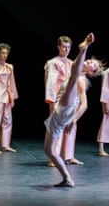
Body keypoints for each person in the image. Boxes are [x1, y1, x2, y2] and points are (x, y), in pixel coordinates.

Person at [44, 32, 102, 187]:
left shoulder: (81, 80)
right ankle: (67, 178)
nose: (90, 62)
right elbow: (76, 65)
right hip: (61, 108)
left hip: (66, 107)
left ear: (91, 72)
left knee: (74, 77)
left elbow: (85, 104)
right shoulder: (74, 69)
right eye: (89, 60)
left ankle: (84, 48)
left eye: (92, 65)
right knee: (49, 150)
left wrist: (85, 47)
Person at [44, 35, 73, 167]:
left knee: (71, 125)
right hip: (58, 98)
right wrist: (51, 101)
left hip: (70, 99)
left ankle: (68, 156)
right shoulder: (53, 62)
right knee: (56, 127)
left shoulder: (71, 63)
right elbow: (50, 83)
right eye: (64, 47)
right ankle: (52, 157)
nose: (66, 50)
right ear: (58, 47)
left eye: (68, 47)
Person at [0, 43, 19, 154]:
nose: (4, 55)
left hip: (6, 97)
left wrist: (13, 98)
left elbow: (12, 83)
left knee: (7, 121)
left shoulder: (9, 67)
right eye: (2, 53)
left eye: (6, 53)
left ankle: (5, 145)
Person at [97, 69, 109, 156]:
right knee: (106, 122)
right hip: (108, 100)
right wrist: (105, 103)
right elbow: (104, 88)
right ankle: (101, 149)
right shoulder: (107, 72)